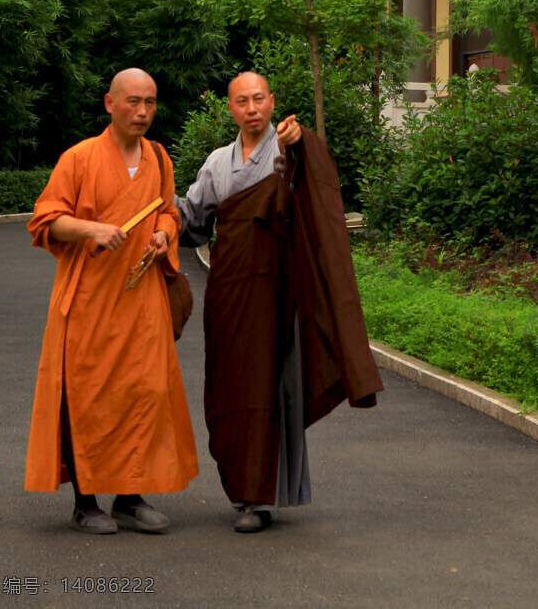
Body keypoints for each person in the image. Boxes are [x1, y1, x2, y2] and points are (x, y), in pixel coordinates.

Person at [177, 71, 382, 534]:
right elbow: (192, 221)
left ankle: (261, 496)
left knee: (269, 390)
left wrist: (300, 142)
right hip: (229, 292)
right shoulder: (216, 162)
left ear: (272, 102)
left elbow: (313, 186)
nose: (252, 109)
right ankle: (240, 485)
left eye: (259, 100)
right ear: (230, 108)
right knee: (228, 389)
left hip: (276, 289)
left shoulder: (287, 148)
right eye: (241, 101)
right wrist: (154, 207)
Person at [25, 68, 198, 534]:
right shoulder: (79, 158)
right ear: (110, 103)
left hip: (142, 299)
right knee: (90, 396)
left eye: (151, 103)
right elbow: (45, 220)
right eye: (133, 102)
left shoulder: (159, 158)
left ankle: (130, 496)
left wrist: (163, 233)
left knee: (145, 393)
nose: (143, 112)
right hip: (90, 300)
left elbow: (168, 209)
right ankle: (85, 502)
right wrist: (90, 228)